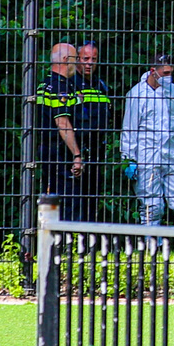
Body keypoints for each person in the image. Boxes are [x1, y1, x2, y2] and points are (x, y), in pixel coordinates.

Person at [120, 53, 174, 233]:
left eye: (170, 72)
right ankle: (152, 245)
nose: (169, 77)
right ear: (153, 71)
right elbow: (129, 129)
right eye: (165, 73)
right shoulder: (136, 94)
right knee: (152, 207)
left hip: (173, 155)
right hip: (146, 157)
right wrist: (129, 158)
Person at [36, 43, 84, 220]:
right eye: (75, 59)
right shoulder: (60, 87)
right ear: (65, 60)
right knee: (67, 203)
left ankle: (50, 235)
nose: (77, 63)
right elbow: (62, 122)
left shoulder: (45, 84)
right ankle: (64, 237)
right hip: (59, 152)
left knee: (50, 199)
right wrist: (76, 154)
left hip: (47, 150)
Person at [73, 40, 113, 221]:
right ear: (76, 59)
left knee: (92, 200)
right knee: (74, 201)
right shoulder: (70, 84)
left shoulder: (100, 85)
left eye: (93, 59)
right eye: (85, 58)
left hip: (97, 151)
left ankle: (87, 236)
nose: (89, 63)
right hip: (76, 150)